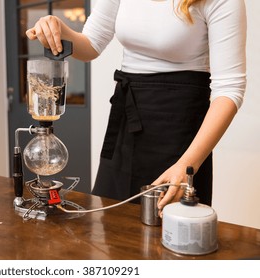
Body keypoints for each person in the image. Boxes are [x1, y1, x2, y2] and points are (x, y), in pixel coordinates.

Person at [26, 0, 247, 213]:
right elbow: (90, 45)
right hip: (127, 122)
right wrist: (57, 28)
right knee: (111, 222)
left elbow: (229, 89)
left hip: (181, 131)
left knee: (170, 230)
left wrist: (187, 165)